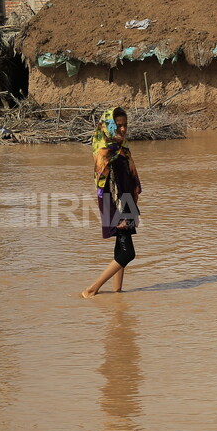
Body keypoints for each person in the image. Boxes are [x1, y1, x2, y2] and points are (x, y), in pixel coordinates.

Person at [82, 107, 142, 298]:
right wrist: (114, 217)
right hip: (116, 206)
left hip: (126, 202)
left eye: (125, 125)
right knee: (128, 253)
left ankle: (117, 294)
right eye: (119, 125)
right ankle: (92, 289)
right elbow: (103, 190)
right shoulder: (104, 152)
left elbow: (127, 180)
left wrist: (133, 209)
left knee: (120, 249)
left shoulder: (122, 146)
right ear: (109, 125)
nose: (123, 129)